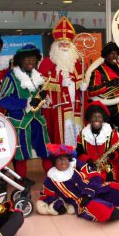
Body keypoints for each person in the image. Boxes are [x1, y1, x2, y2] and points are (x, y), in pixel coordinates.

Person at [0, 44, 52, 177]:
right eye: (27, 59)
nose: (31, 62)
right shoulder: (11, 77)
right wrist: (25, 103)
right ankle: (22, 182)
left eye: (33, 59)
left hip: (38, 121)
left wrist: (45, 100)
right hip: (21, 123)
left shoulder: (38, 76)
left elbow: (40, 95)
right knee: (21, 155)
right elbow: (3, 100)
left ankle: (52, 179)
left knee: (46, 151)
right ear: (20, 60)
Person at [38, 16, 83, 146]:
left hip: (75, 106)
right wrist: (59, 84)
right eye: (61, 43)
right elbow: (42, 87)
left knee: (75, 136)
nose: (64, 46)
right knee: (60, 137)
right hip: (58, 108)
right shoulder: (47, 63)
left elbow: (81, 83)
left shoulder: (77, 63)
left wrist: (83, 87)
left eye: (67, 43)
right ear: (55, 45)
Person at [87, 42, 119, 138]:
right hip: (106, 109)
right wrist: (108, 84)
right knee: (107, 135)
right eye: (111, 53)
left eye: (116, 54)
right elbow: (91, 91)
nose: (114, 56)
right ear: (105, 55)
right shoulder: (98, 71)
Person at [76, 101, 119, 183]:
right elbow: (79, 153)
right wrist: (88, 160)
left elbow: (118, 151)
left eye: (99, 117)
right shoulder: (82, 135)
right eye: (94, 117)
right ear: (90, 119)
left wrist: (113, 155)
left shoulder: (111, 133)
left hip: (108, 167)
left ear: (103, 119)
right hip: (89, 167)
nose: (97, 119)